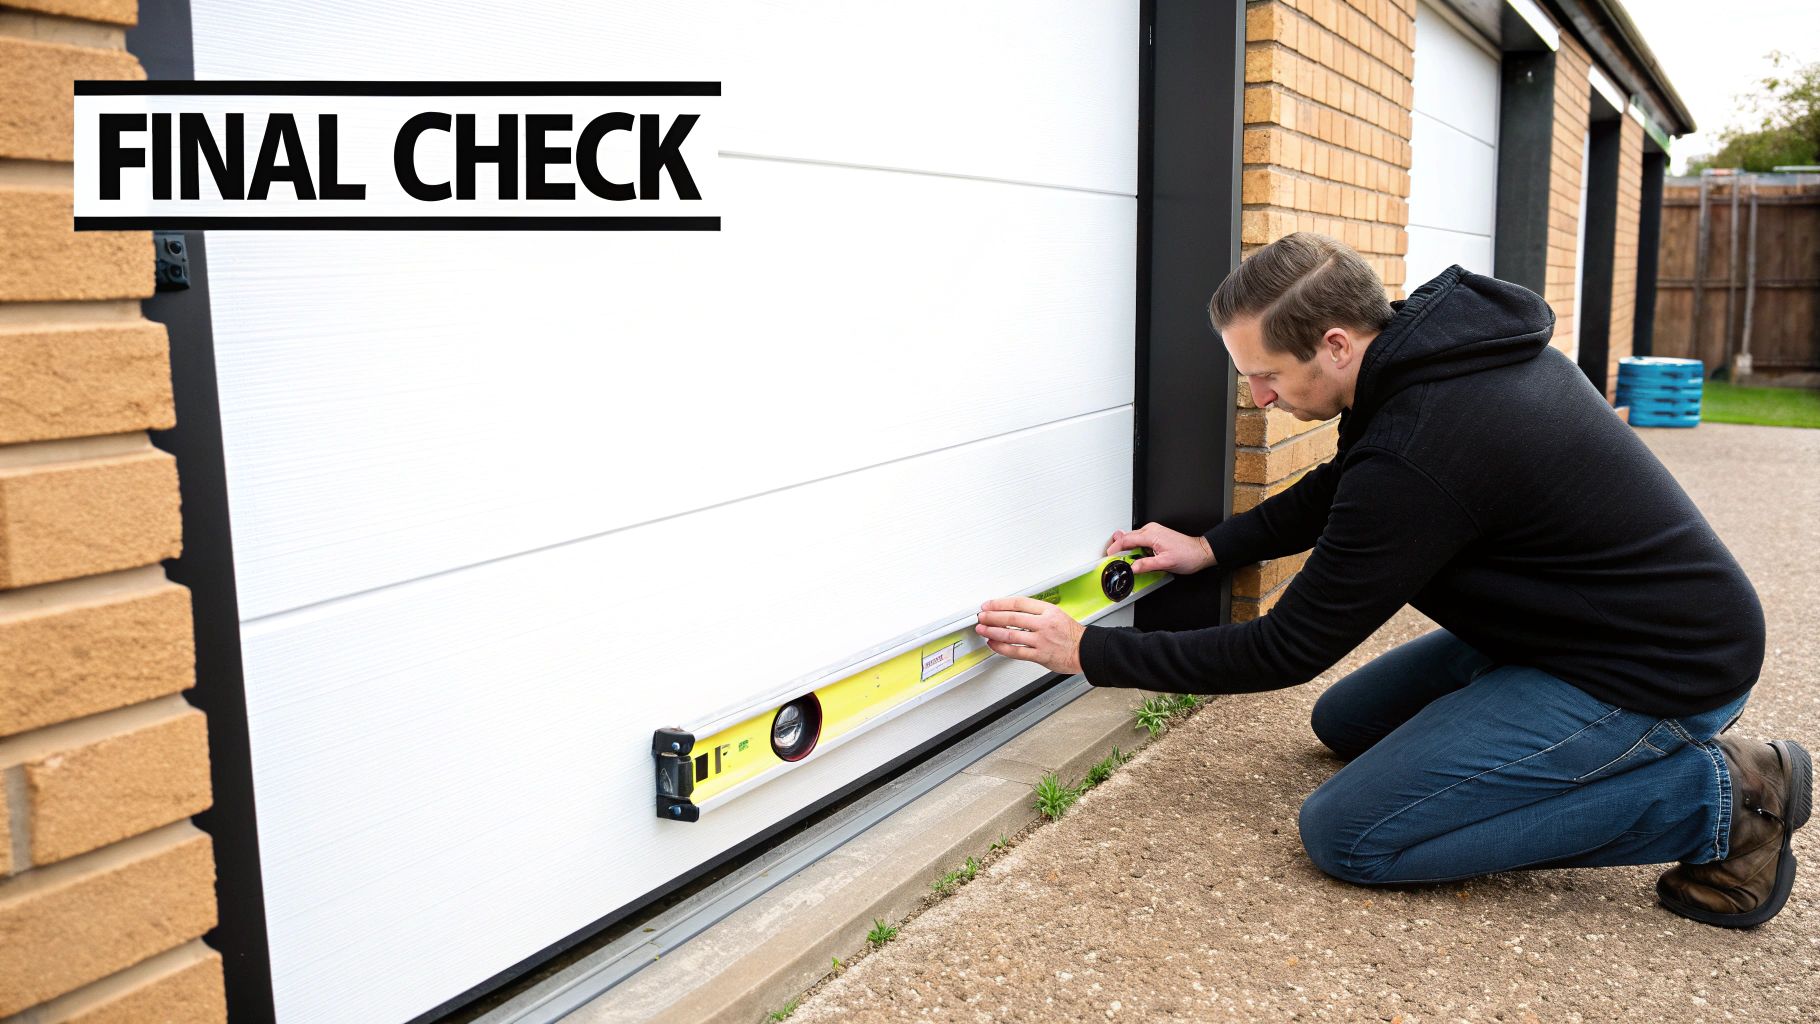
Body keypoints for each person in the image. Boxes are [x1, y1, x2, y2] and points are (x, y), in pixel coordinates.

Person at [972, 232, 1809, 927]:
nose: (1259, 398)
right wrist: (1211, 548)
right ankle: (1554, 736)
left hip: (1658, 670)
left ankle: (1722, 799)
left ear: (1335, 343)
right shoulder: (1427, 360)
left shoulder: (1427, 439)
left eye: (1267, 375)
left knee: (1353, 834)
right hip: (1570, 632)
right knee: (1348, 722)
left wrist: (1090, 652)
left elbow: (1286, 648)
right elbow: (1344, 486)